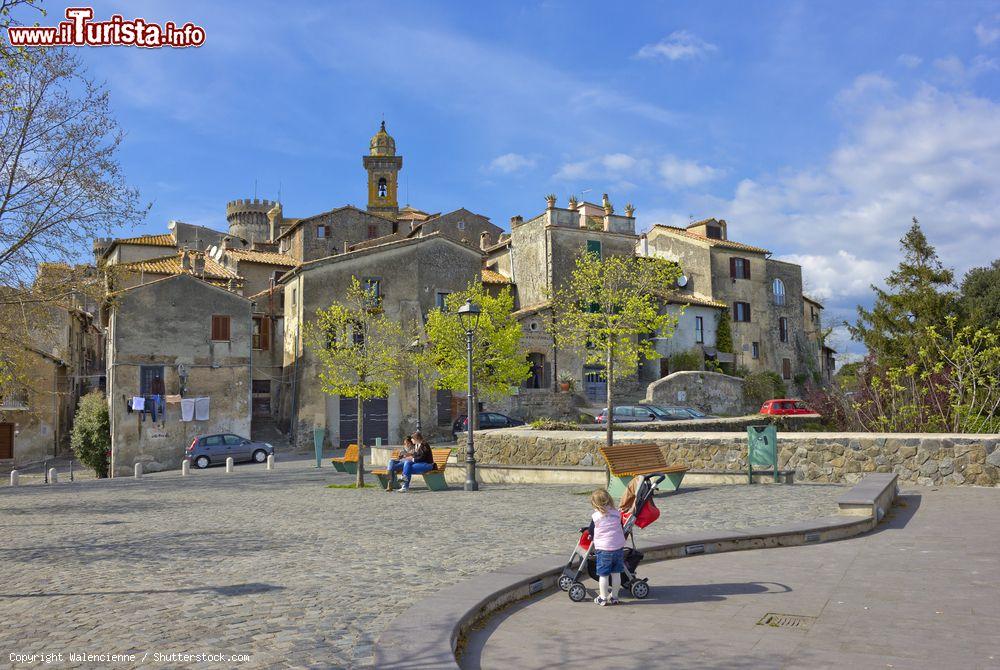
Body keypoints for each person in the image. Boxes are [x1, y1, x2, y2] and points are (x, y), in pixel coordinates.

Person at [588, 489, 626, 606]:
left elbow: (591, 531)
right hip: (618, 548)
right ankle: (614, 597)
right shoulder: (617, 514)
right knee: (616, 574)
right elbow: (619, 526)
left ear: (595, 504)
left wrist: (591, 535)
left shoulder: (596, 517)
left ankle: (603, 597)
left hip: (604, 550)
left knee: (603, 575)